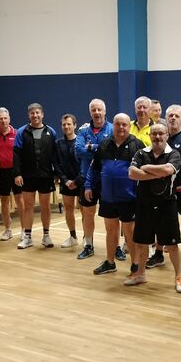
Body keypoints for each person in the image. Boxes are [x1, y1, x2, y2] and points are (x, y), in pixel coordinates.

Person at [127, 123, 181, 292]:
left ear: (167, 135)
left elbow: (168, 170)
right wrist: (157, 173)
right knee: (141, 243)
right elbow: (132, 173)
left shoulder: (174, 154)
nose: (157, 137)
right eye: (154, 134)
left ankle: (179, 277)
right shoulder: (141, 153)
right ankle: (140, 274)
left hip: (167, 205)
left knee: (172, 245)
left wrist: (145, 168)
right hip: (144, 205)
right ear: (150, 136)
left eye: (161, 133)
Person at [145, 104, 181, 275]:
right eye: (170, 115)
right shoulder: (162, 137)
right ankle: (158, 254)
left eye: (177, 116)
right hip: (164, 189)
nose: (173, 118)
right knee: (161, 221)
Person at [84, 114, 145, 277]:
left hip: (129, 198)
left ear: (129, 126)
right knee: (111, 230)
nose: (121, 127)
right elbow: (94, 168)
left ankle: (135, 265)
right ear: (114, 126)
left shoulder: (137, 145)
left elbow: (144, 172)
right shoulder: (104, 144)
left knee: (130, 232)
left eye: (124, 124)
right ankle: (110, 263)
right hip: (108, 198)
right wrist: (88, 185)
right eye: (118, 124)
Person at [13, 103, 58, 249]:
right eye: (32, 113)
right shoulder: (22, 132)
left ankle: (46, 236)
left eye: (37, 113)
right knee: (28, 206)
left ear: (42, 114)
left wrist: (56, 173)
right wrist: (17, 173)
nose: (35, 115)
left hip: (45, 175)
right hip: (28, 175)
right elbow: (16, 154)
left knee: (45, 206)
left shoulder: (51, 131)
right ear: (29, 115)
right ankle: (27, 237)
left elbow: (55, 155)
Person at [74, 98, 113, 260]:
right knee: (88, 213)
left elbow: (111, 151)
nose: (97, 113)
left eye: (99, 109)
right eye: (94, 110)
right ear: (90, 112)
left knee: (111, 217)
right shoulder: (83, 131)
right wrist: (100, 150)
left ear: (104, 111)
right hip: (87, 178)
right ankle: (88, 245)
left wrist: (90, 147)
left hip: (107, 179)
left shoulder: (112, 129)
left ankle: (116, 247)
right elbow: (78, 151)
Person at [0, 107, 24, 241]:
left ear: (9, 119)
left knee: (20, 200)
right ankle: (7, 229)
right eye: (0, 118)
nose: (3, 121)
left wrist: (20, 172)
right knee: (4, 201)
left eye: (5, 118)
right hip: (1, 172)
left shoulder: (17, 133)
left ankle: (24, 230)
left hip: (16, 172)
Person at [53, 113, 80, 248]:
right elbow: (56, 163)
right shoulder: (58, 143)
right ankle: (73, 236)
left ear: (75, 125)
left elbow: (85, 163)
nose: (66, 126)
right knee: (68, 209)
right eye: (64, 124)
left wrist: (76, 181)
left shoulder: (80, 141)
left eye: (69, 124)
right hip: (66, 182)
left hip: (80, 181)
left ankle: (88, 239)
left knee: (85, 211)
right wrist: (65, 180)